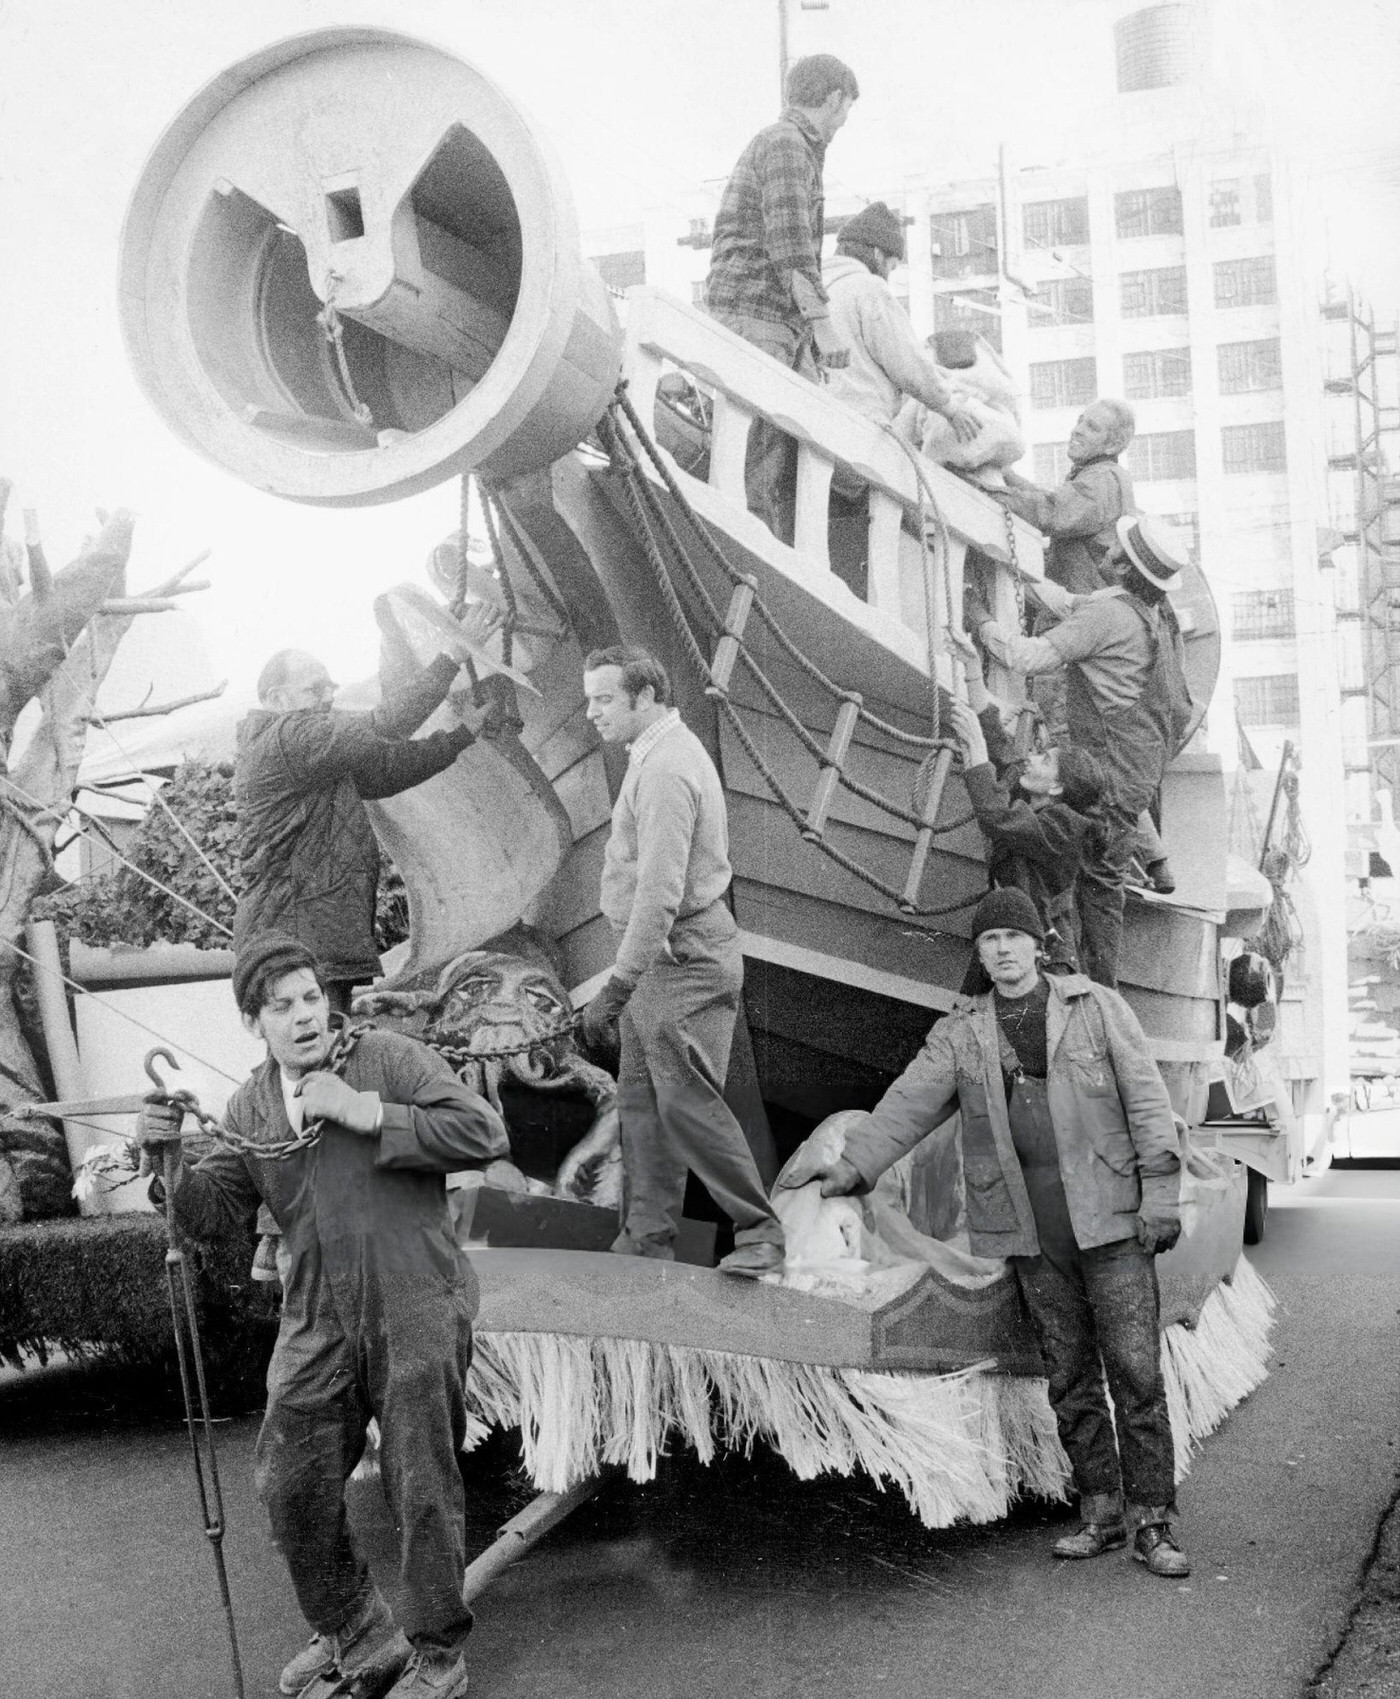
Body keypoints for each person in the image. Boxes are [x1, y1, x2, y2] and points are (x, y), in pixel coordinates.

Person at [136, 935, 510, 1699]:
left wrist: (365, 1110)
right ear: (255, 1022)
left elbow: (484, 1132)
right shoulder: (249, 1105)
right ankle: (357, 1627)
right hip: (315, 1313)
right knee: (288, 1479)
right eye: (283, 1005)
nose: (305, 1015)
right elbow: (215, 1214)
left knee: (420, 1482)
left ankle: (439, 1653)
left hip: (413, 1292)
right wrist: (171, 1163)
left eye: (312, 996)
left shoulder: (388, 1059)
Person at [793, 886, 1189, 1578]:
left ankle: (1152, 1520)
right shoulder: (961, 1032)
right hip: (1030, 1233)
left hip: (1115, 1223)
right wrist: (850, 1168)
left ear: (1039, 943)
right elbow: (908, 1103)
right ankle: (1098, 1509)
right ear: (978, 953)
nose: (1003, 949)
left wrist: (1160, 1194)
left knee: (1133, 1367)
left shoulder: (1095, 1009)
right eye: (989, 940)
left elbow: (1150, 1104)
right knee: (1068, 1375)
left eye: (1014, 936)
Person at [578, 645, 785, 1278]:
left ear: (644, 697)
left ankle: (760, 1232)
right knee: (641, 1105)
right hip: (661, 966)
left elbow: (661, 893)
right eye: (589, 700)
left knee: (687, 1104)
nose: (591, 714)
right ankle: (646, 1245)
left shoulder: (667, 768)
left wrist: (615, 985)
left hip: (687, 960)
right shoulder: (657, 754)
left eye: (604, 699)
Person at [234, 601, 504, 1015]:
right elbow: (382, 725)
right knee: (320, 1055)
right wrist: (451, 656)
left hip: (305, 932)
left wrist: (463, 734)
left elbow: (386, 767)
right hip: (294, 937)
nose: (328, 697)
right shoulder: (288, 737)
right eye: (314, 688)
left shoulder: (309, 754)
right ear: (275, 698)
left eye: (329, 687)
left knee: (326, 1054)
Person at [973, 516, 1193, 989]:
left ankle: (1088, 1000)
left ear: (1122, 564)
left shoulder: (1109, 617)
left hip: (1107, 781)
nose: (1106, 545)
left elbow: (1027, 657)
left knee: (1085, 898)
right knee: (1098, 893)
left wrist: (979, 619)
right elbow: (1070, 602)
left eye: (1116, 545)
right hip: (1133, 779)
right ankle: (1094, 995)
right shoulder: (1143, 612)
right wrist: (1016, 571)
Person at [704, 54, 860, 540]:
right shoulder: (788, 145)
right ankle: (751, 551)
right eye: (845, 110)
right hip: (760, 315)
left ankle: (761, 547)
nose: (843, 123)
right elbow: (791, 244)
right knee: (755, 457)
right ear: (834, 98)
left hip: (766, 317)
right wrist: (822, 324)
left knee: (767, 454)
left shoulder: (784, 144)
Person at [945, 631, 1106, 974]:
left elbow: (997, 816)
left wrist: (973, 747)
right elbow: (998, 743)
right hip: (1015, 940)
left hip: (1047, 960)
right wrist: (972, 666)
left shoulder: (1064, 828)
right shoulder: (1033, 798)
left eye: (1045, 760)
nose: (1032, 758)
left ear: (1059, 788)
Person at [821, 202, 980, 438]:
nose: (888, 275)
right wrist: (950, 408)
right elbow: (906, 361)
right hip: (859, 426)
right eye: (891, 267)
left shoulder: (815, 290)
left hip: (816, 419)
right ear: (877, 254)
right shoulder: (867, 287)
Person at [998, 399, 1137, 596]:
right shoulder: (1105, 474)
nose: (1077, 430)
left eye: (1092, 427)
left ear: (1113, 445)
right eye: (1080, 421)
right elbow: (1054, 501)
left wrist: (985, 491)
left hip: (1086, 605)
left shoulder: (1100, 479)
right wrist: (1008, 476)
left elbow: (1050, 512)